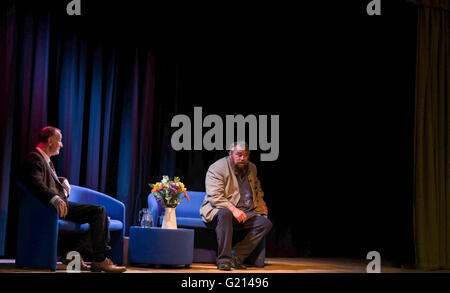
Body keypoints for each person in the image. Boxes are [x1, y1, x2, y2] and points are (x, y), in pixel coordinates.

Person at [21, 126, 126, 273]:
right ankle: (100, 260)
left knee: (103, 218)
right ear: (50, 141)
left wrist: (62, 180)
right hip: (50, 209)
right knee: (99, 211)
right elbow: (35, 183)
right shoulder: (34, 158)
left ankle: (72, 255)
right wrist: (54, 198)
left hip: (60, 206)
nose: (62, 145)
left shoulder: (45, 160)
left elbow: (46, 179)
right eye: (60, 141)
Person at [200, 141, 272, 271]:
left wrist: (262, 208)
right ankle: (224, 260)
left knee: (265, 223)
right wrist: (233, 209)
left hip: (245, 213)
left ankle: (236, 256)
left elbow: (257, 190)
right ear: (230, 154)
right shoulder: (217, 168)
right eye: (238, 155)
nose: (242, 158)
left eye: (245, 155)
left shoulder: (252, 168)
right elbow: (214, 196)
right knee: (225, 213)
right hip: (220, 211)